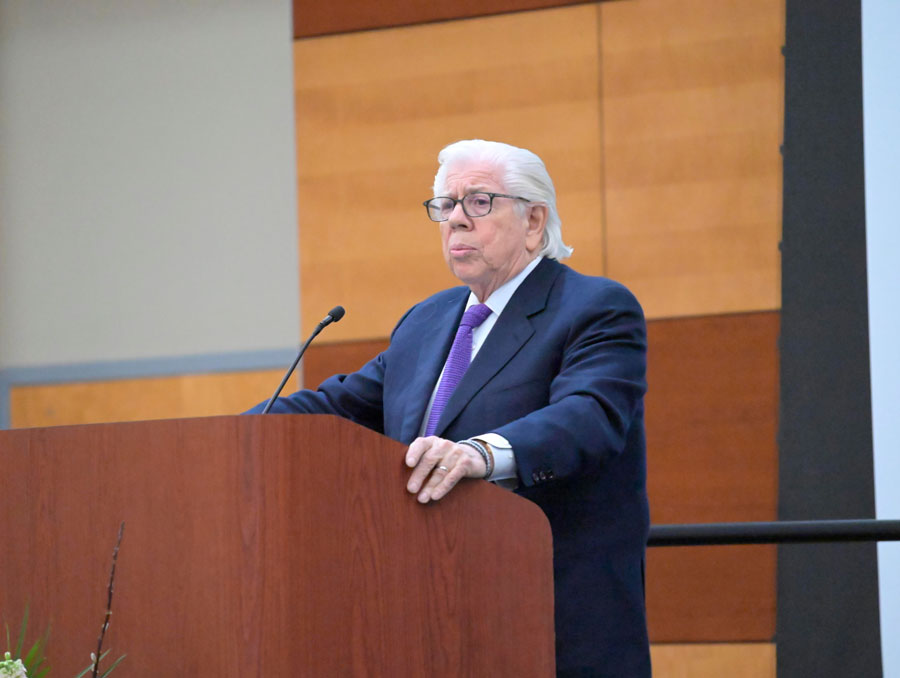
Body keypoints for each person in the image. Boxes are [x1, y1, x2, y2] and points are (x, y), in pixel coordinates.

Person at [248, 139, 651, 677]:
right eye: (445, 205)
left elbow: (589, 416)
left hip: (549, 622)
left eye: (478, 202)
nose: (456, 220)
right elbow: (336, 407)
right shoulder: (426, 321)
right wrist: (235, 432)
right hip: (430, 622)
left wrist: (479, 455)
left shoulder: (595, 308)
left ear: (534, 221)